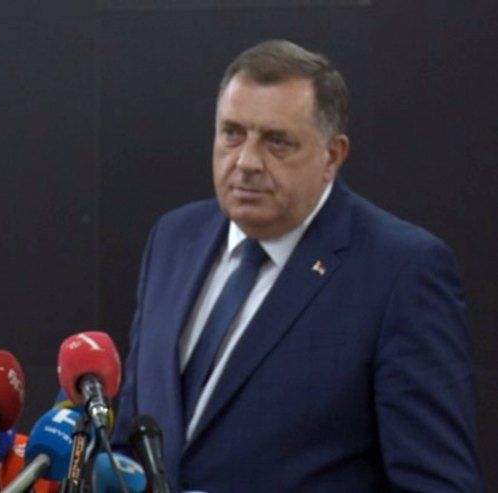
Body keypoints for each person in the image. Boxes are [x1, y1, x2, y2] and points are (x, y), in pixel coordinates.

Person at [113, 40, 481, 492]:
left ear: (332, 156)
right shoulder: (174, 239)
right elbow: (131, 435)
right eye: (232, 133)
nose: (246, 162)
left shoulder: (401, 273)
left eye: (277, 142)